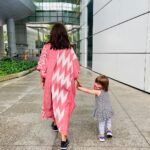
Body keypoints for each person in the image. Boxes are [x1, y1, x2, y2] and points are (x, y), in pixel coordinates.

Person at [37, 23, 81, 149]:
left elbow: (42, 66)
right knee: (64, 107)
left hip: (52, 82)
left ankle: (56, 124)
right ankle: (63, 140)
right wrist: (78, 79)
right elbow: (75, 67)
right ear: (64, 34)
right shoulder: (69, 48)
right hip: (66, 82)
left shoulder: (47, 47)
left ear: (52, 34)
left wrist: (43, 80)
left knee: (55, 103)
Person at [77, 75, 113, 142]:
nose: (96, 84)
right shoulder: (105, 91)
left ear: (103, 86)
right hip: (109, 109)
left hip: (101, 111)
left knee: (101, 123)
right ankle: (109, 131)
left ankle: (102, 136)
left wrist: (79, 88)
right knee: (108, 121)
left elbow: (88, 91)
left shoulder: (98, 91)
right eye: (96, 82)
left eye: (98, 84)